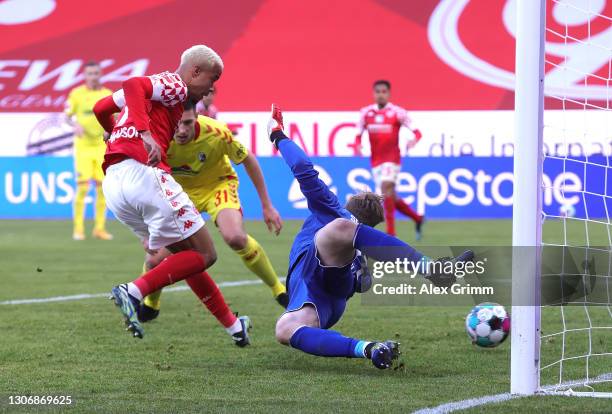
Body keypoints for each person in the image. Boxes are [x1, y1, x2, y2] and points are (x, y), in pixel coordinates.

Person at [269, 104, 473, 369]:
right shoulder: (360, 253)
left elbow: (303, 168)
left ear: (349, 203)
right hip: (326, 300)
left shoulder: (336, 213)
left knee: (339, 227)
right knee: (284, 330)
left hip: (317, 283)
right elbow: (362, 284)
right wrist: (360, 275)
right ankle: (370, 349)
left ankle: (433, 269)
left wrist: (277, 135)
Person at [93, 45, 250, 346]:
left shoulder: (153, 95)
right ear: (194, 72)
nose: (210, 89)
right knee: (206, 254)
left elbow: (101, 109)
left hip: (114, 183)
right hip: (145, 175)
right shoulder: (175, 84)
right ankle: (134, 291)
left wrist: (113, 132)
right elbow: (133, 83)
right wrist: (145, 134)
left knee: (186, 256)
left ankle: (234, 327)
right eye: (211, 79)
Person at [138, 101, 286, 323]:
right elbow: (143, 182)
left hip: (217, 185)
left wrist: (267, 205)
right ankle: (151, 303)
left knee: (235, 237)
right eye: (177, 124)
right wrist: (145, 229)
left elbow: (248, 159)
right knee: (154, 259)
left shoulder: (217, 132)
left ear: (197, 117)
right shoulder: (158, 138)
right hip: (179, 194)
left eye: (187, 123)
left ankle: (278, 288)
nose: (181, 130)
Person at [354, 80, 424, 239]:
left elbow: (418, 132)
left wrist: (413, 141)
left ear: (389, 93)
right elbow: (358, 135)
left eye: (384, 91)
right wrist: (357, 145)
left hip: (392, 159)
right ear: (373, 94)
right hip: (376, 161)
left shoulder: (398, 112)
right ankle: (417, 218)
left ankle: (391, 234)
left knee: (386, 188)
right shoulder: (365, 113)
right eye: (377, 91)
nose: (380, 94)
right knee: (389, 196)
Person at [65, 61, 113, 240]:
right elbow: (67, 116)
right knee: (83, 188)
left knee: (102, 189)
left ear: (100, 74)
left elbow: (114, 117)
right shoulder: (76, 94)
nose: (93, 77)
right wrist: (75, 124)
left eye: (96, 73)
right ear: (85, 76)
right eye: (90, 73)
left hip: (101, 146)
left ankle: (99, 229)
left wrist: (110, 130)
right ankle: (78, 229)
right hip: (83, 147)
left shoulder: (107, 94)